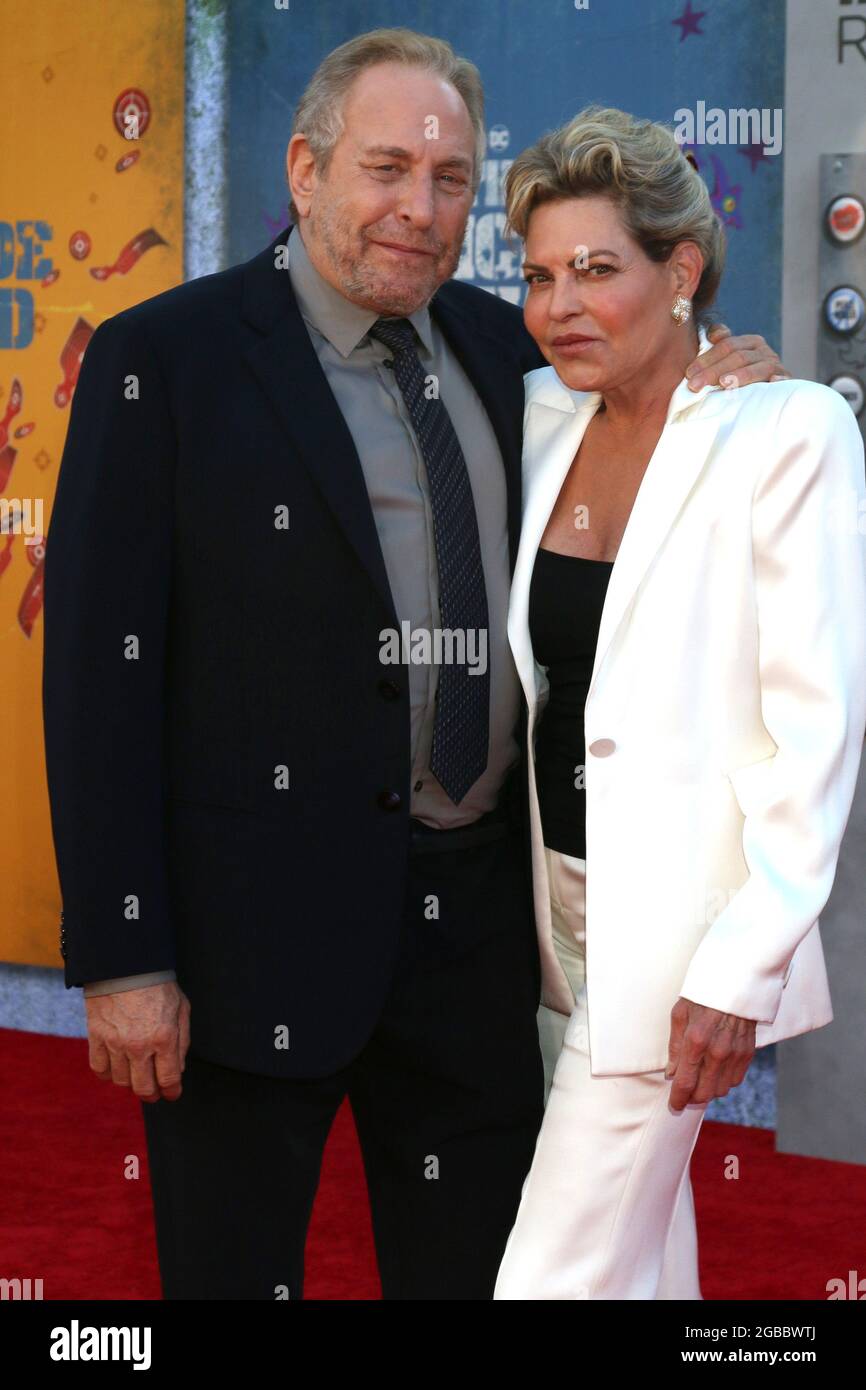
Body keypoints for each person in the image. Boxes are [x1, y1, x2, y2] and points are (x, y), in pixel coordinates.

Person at [42, 33, 788, 1300]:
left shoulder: (515, 355)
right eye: (386, 168)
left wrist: (732, 380)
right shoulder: (160, 360)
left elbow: (654, 446)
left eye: (449, 180)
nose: (419, 208)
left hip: (472, 945)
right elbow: (98, 681)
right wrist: (125, 957)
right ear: (303, 169)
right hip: (243, 948)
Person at [492, 105, 866, 1301]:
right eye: (541, 274)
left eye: (597, 269)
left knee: (550, 1275)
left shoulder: (784, 431)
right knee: (636, 1256)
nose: (559, 305)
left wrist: (742, 963)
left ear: (681, 269)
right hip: (554, 913)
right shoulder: (539, 419)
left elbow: (815, 730)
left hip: (681, 943)